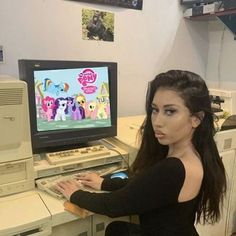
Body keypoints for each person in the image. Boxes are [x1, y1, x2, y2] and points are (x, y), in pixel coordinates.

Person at [56, 70, 227, 236]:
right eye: (155, 110)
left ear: (196, 118)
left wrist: (75, 194)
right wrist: (104, 184)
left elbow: (112, 206)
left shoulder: (173, 168)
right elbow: (145, 186)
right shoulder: (195, 154)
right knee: (117, 229)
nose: (157, 122)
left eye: (170, 111)